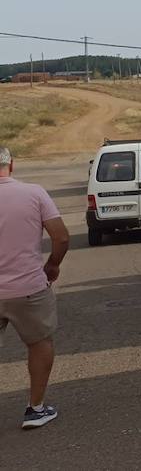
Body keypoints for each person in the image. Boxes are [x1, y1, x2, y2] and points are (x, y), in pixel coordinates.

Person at [0, 145, 69, 429]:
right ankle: (35, 408)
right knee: (39, 342)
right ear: (11, 165)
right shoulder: (34, 193)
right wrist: (52, 265)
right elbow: (61, 237)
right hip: (28, 287)